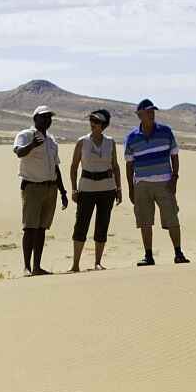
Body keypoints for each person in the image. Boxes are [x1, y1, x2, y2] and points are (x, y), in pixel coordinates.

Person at [123, 98, 187, 265]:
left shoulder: (165, 131)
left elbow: (174, 155)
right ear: (140, 115)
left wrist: (175, 177)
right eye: (148, 112)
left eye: (153, 111)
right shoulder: (131, 138)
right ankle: (149, 255)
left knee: (172, 218)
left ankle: (178, 253)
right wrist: (131, 188)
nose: (152, 114)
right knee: (145, 220)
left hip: (165, 182)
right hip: (142, 184)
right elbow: (129, 165)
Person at [12, 105, 69, 276]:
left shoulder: (52, 141)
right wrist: (32, 145)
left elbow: (56, 167)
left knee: (42, 228)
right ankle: (27, 267)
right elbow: (18, 152)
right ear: (35, 118)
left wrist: (63, 191)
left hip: (50, 188)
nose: (47, 120)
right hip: (32, 187)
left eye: (49, 118)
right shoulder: (25, 135)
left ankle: (37, 266)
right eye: (43, 117)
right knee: (30, 228)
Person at [67, 108, 122, 272]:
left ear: (103, 125)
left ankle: (98, 262)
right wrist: (74, 189)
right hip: (86, 188)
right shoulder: (82, 142)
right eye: (91, 120)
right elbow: (74, 167)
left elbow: (115, 166)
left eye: (97, 121)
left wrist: (119, 189)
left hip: (107, 188)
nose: (93, 124)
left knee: (102, 224)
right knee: (81, 224)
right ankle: (75, 264)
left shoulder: (110, 142)